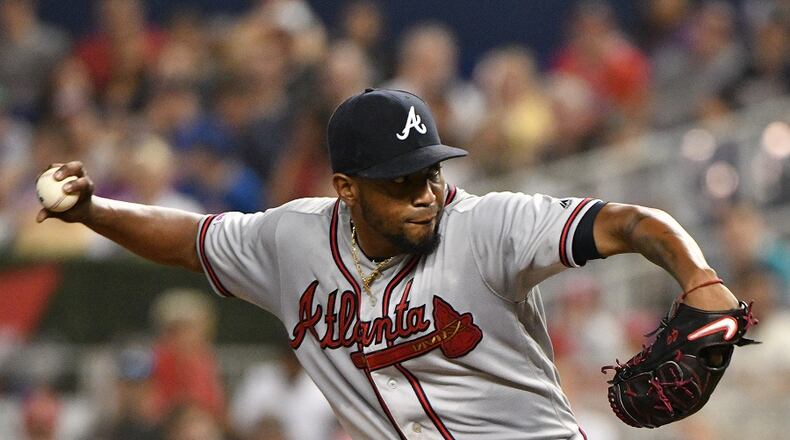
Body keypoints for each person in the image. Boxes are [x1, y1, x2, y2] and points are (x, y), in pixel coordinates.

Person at [37, 88, 741, 439]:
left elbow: (629, 222)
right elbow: (191, 240)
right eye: (401, 182)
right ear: (346, 188)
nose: (425, 194)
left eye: (430, 172)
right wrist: (94, 211)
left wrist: (699, 279)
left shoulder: (486, 224)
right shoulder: (292, 240)